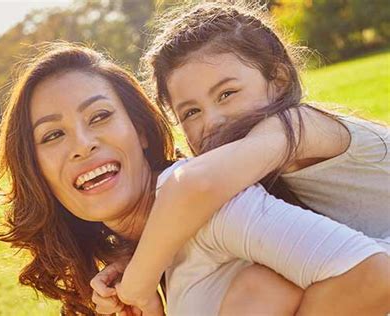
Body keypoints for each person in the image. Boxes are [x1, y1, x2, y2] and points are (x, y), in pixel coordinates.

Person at [0, 42, 388, 316]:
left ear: (140, 130)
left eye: (100, 116)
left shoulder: (205, 204)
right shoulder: (143, 260)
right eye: (53, 135)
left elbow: (376, 275)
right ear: (35, 170)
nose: (83, 144)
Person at [93, 1, 390, 315]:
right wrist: (135, 254)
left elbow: (194, 185)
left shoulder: (296, 126)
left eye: (226, 94)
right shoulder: (250, 165)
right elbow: (187, 203)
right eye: (191, 112)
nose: (213, 120)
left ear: (279, 79)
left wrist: (140, 278)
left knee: (267, 283)